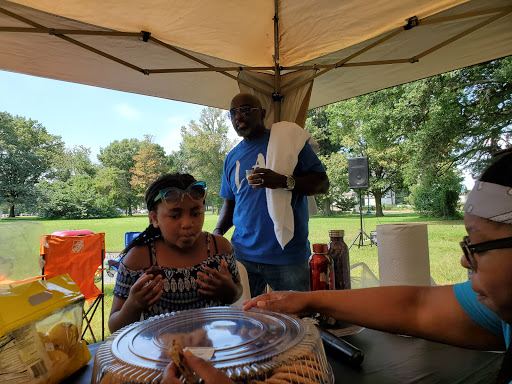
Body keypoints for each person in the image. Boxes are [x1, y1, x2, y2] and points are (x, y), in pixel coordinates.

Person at [244, 150, 512, 383]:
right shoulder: (502, 313)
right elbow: (418, 305)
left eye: (475, 245)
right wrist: (307, 300)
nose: (464, 261)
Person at [214, 92, 329, 297]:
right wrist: (216, 233)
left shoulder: (289, 143)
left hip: (287, 256)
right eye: (233, 113)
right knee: (244, 322)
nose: (238, 116)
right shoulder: (231, 157)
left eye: (246, 110)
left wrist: (285, 181)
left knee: (300, 322)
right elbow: (231, 203)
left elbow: (322, 184)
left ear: (263, 113)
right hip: (242, 256)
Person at [109, 173, 242, 333]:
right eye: (174, 215)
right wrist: (133, 304)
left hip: (211, 349)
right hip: (161, 354)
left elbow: (237, 290)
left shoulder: (219, 249)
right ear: (154, 218)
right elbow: (115, 327)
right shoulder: (139, 259)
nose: (187, 223)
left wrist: (229, 290)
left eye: (196, 213)